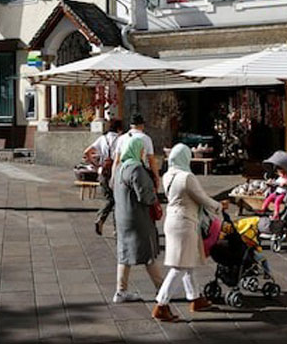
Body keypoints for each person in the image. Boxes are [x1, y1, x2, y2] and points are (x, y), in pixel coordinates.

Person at [153, 144, 222, 321]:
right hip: (185, 222)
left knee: (187, 261)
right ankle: (161, 304)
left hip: (173, 220)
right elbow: (202, 198)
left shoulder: (168, 174)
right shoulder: (187, 177)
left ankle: (195, 297)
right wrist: (218, 206)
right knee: (180, 266)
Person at [113, 135, 163, 303]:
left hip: (122, 217)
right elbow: (145, 197)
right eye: (141, 149)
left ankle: (121, 290)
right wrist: (154, 196)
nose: (143, 152)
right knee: (148, 252)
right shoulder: (136, 170)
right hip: (138, 218)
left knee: (124, 253)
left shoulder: (120, 168)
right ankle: (162, 289)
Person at [84, 118, 124, 235]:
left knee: (110, 199)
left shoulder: (102, 139)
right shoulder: (121, 139)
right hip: (116, 173)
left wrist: (96, 165)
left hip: (104, 172)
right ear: (119, 128)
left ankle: (103, 220)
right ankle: (115, 228)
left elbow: (86, 152)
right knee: (117, 201)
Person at [114, 114, 159, 187]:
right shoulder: (146, 138)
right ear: (142, 125)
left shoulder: (122, 138)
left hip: (123, 171)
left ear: (131, 125)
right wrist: (156, 177)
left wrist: (113, 177)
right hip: (140, 171)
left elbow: (116, 160)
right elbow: (151, 160)